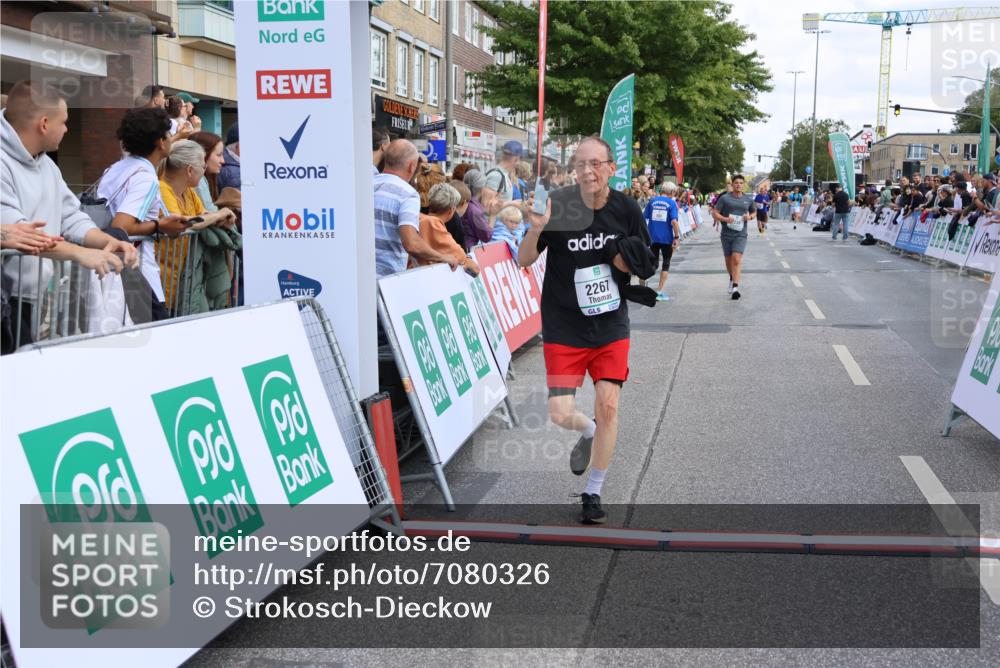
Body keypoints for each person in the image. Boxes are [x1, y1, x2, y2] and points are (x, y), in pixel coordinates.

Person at [516, 136, 652, 525]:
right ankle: (587, 430)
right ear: (573, 169)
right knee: (560, 413)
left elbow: (644, 260)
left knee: (609, 404)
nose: (588, 171)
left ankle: (593, 490)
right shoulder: (558, 204)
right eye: (581, 164)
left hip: (610, 324)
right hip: (563, 324)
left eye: (596, 164)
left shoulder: (627, 208)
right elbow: (524, 260)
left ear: (611, 168)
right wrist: (535, 228)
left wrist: (624, 263)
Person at [1, 80, 142, 346]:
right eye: (64, 122)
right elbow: (21, 235)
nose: (67, 128)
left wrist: (105, 241)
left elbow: (70, 214)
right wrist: (81, 253)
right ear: (44, 124)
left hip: (43, 294)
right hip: (11, 299)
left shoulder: (46, 165)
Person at [102, 106, 194, 317]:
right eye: (169, 134)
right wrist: (160, 226)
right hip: (139, 274)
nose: (172, 138)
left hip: (116, 270)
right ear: (160, 142)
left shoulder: (115, 168)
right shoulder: (146, 177)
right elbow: (121, 227)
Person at [374, 139, 461, 279]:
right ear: (411, 166)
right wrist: (443, 257)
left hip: (359, 278)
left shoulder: (368, 184)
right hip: (385, 279)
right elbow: (411, 243)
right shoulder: (407, 194)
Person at [412, 183, 479, 275]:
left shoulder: (418, 218)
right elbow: (473, 267)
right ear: (451, 210)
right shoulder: (433, 223)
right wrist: (467, 260)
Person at [710, 174, 755, 301]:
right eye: (736, 182)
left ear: (743, 184)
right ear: (733, 183)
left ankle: (735, 287)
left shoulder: (748, 199)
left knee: (736, 259)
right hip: (726, 234)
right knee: (728, 260)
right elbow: (715, 213)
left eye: (741, 183)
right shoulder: (724, 198)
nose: (738, 185)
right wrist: (725, 219)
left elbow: (754, 212)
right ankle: (731, 277)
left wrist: (750, 217)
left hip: (741, 234)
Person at [643, 181, 681, 301]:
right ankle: (659, 292)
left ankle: (643, 284)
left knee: (651, 264)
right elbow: (674, 222)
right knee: (666, 264)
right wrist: (676, 237)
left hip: (652, 238)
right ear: (672, 192)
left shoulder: (652, 201)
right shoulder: (671, 203)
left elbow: (644, 218)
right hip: (667, 239)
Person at [188, 131, 225, 213]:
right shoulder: (199, 179)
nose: (223, 161)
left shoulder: (207, 177)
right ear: (203, 155)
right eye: (219, 155)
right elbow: (210, 212)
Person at [481, 140, 522, 211]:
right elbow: (486, 206)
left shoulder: (503, 174)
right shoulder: (496, 175)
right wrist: (512, 203)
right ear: (516, 159)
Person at [461, 169, 494, 249]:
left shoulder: (464, 202)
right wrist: (493, 215)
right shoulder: (474, 210)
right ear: (482, 188)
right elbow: (486, 236)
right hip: (469, 250)